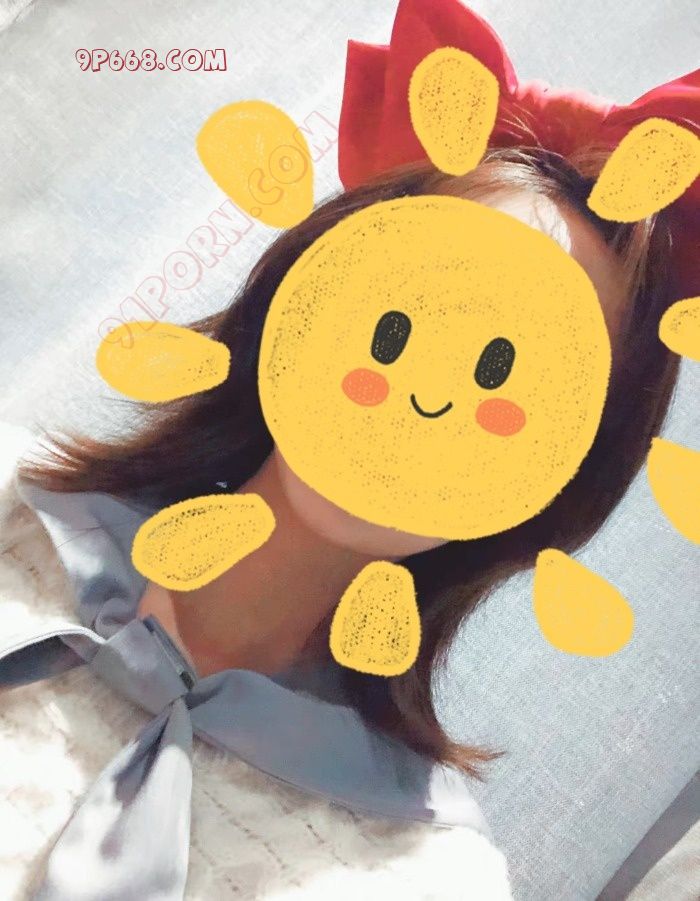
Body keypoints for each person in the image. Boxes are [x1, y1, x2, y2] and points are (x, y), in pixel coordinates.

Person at [16, 143, 680, 778]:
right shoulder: (15, 508)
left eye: (511, 370)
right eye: (401, 318)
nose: (429, 395)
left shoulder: (404, 842)